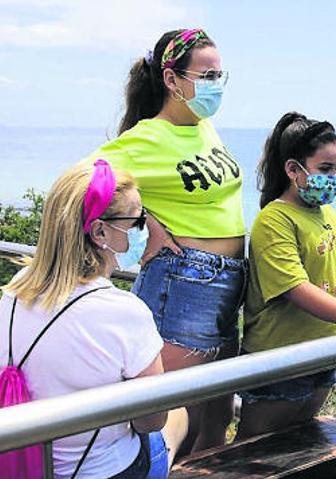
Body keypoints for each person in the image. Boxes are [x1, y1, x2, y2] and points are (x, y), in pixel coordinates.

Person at [81, 28, 246, 453]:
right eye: (206, 75)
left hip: (229, 286)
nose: (215, 85)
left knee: (215, 419)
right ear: (172, 80)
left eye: (220, 75)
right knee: (168, 417)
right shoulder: (144, 139)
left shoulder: (205, 127)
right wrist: (145, 220)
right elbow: (80, 186)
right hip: (185, 282)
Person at [0, 160, 187, 479]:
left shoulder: (18, 288)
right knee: (177, 412)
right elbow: (151, 420)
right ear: (100, 232)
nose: (145, 228)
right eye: (137, 219)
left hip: (23, 468)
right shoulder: (124, 312)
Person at [235, 112, 336, 439]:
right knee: (253, 450)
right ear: (293, 170)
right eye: (325, 169)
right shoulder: (274, 220)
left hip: (324, 354)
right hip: (281, 359)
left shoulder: (330, 216)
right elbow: (294, 287)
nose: (334, 177)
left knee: (295, 442)